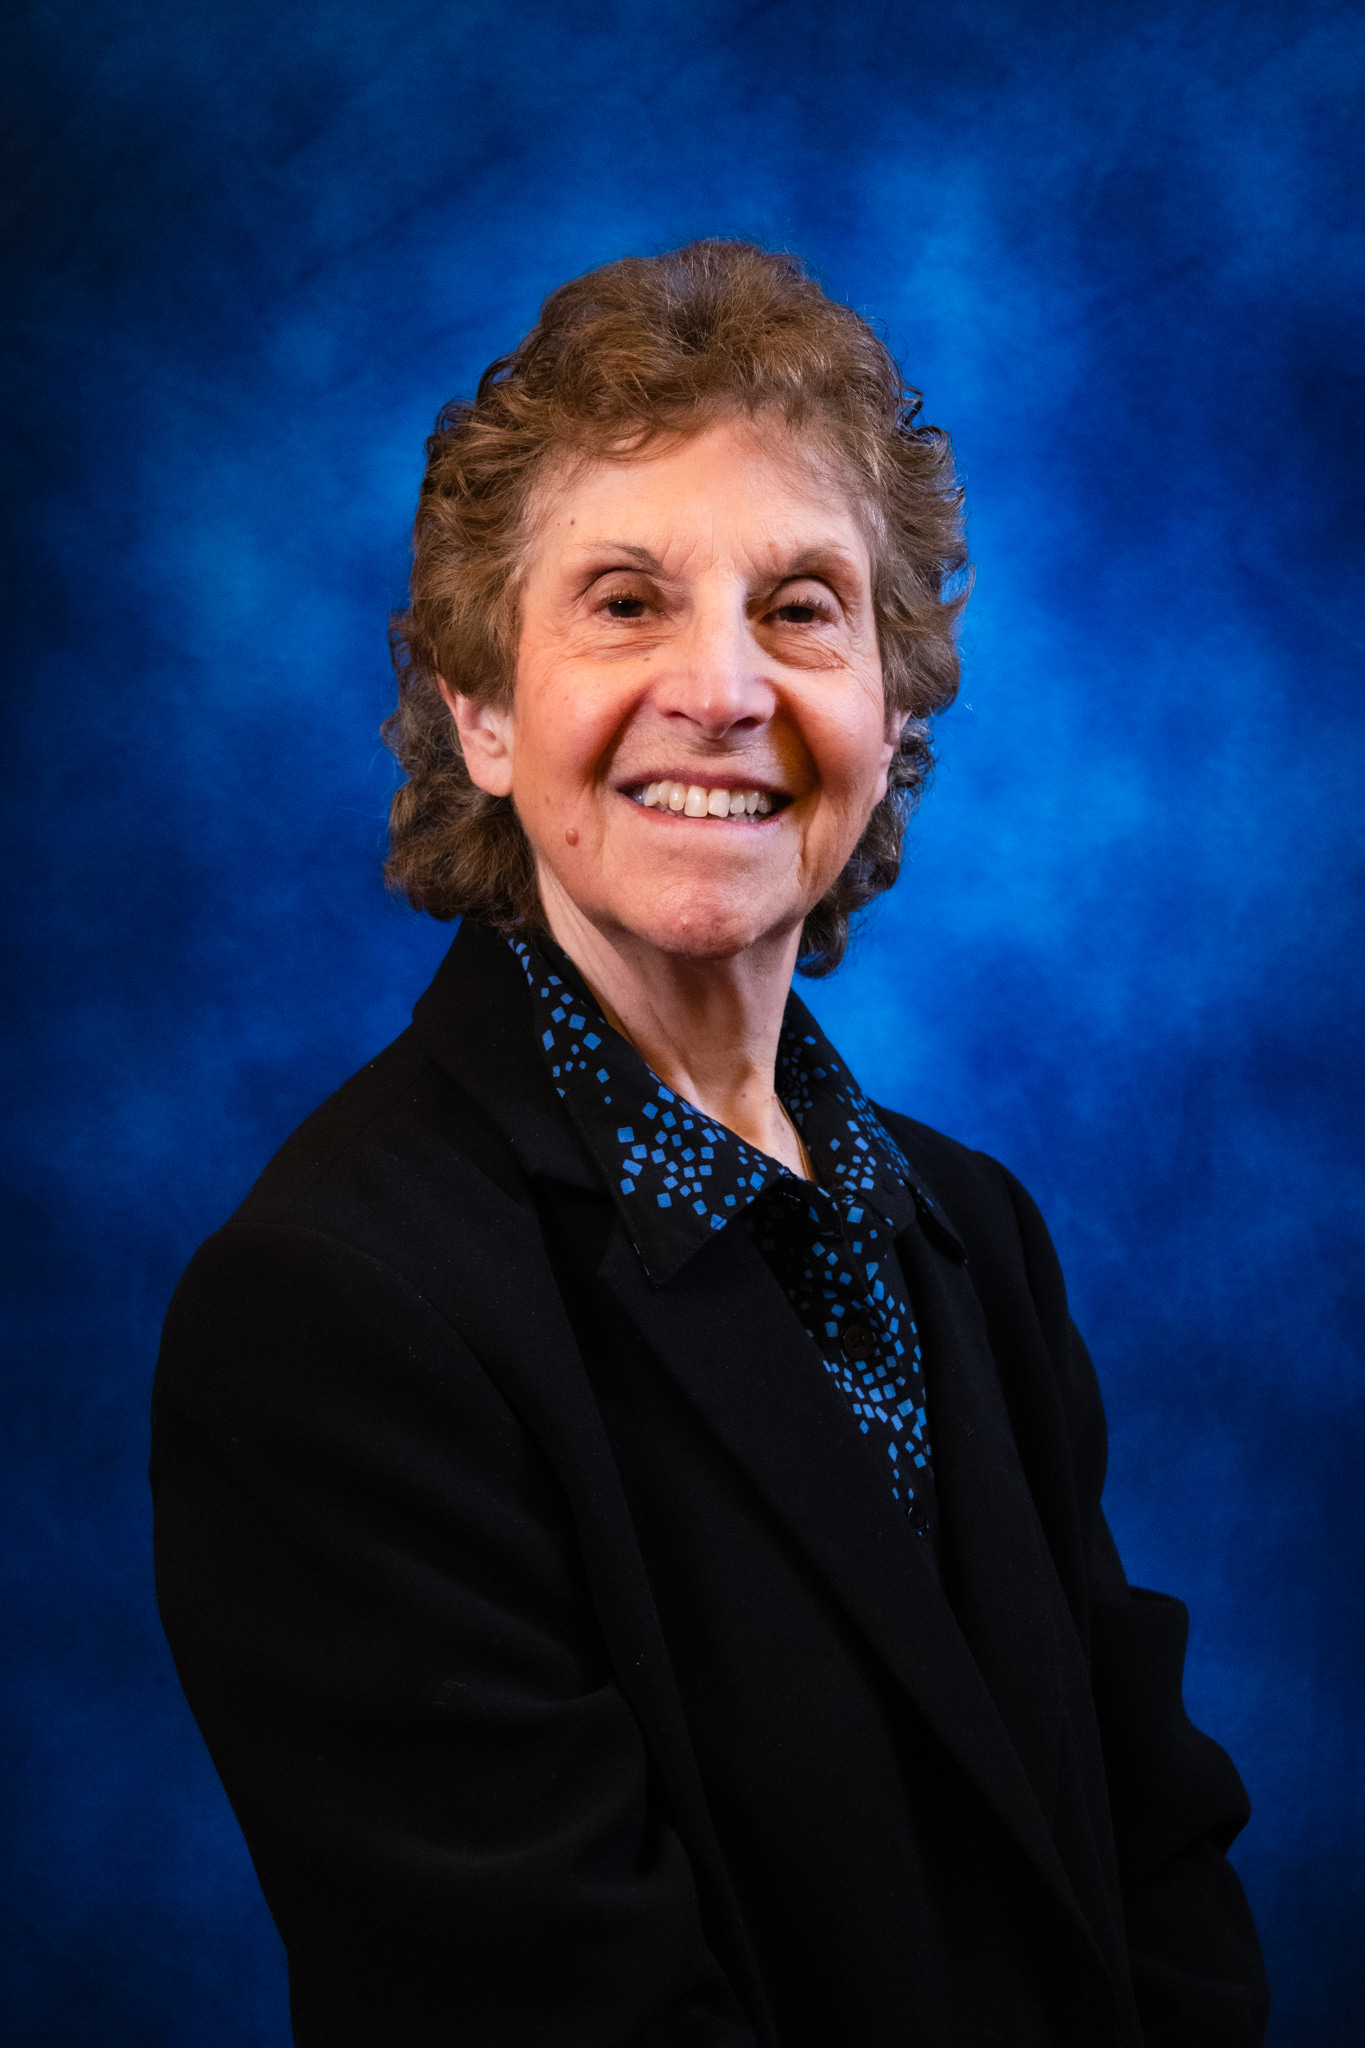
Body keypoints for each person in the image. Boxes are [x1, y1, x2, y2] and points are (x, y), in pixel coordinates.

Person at [151, 241, 1268, 2047]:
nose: (723, 691)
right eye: (623, 602)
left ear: (889, 710)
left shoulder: (971, 1228)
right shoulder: (332, 1310)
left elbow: (1156, 1851)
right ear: (480, 712)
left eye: (801, 608)